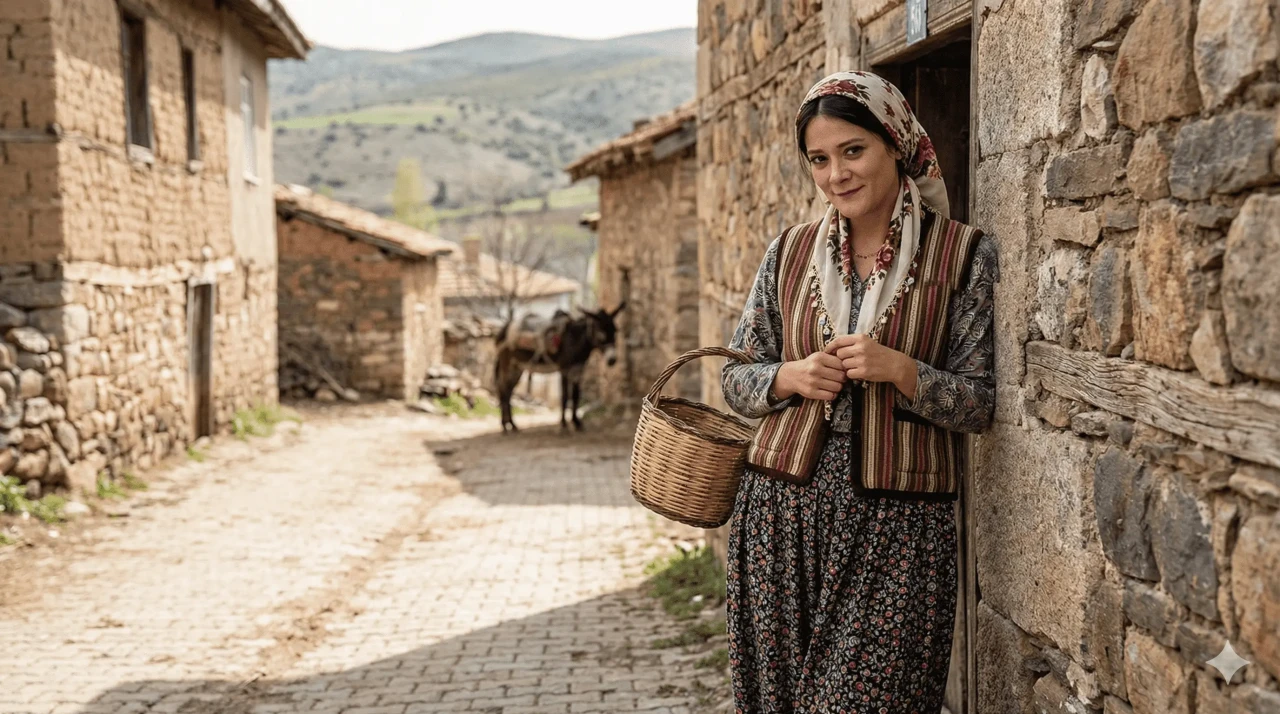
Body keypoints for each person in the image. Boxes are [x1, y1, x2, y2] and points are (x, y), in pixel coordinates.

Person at [720, 71, 999, 712]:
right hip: (779, 522)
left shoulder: (963, 256)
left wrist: (904, 371)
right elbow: (736, 378)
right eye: (819, 159)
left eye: (853, 151)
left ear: (896, 145)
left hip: (899, 529)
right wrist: (786, 377)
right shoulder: (787, 254)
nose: (836, 175)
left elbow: (979, 403)